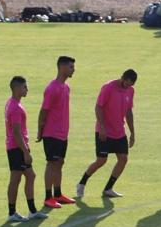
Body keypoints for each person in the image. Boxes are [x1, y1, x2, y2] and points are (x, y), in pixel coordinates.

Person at [76, 69, 138, 199]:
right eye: (127, 83)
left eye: (130, 85)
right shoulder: (108, 87)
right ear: (122, 77)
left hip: (119, 131)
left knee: (123, 159)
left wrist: (132, 132)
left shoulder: (130, 91)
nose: (128, 86)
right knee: (101, 160)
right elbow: (98, 107)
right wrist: (102, 128)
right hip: (104, 131)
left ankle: (108, 188)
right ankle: (82, 183)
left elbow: (128, 112)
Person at [5, 76, 49, 222]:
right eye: (24, 87)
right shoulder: (16, 107)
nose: (27, 89)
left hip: (17, 147)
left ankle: (32, 211)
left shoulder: (11, 103)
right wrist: (25, 152)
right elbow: (16, 132)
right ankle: (12, 213)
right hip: (17, 148)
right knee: (15, 179)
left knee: (30, 176)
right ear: (17, 88)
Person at [38, 56, 76, 209]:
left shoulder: (66, 88)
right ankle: (48, 197)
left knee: (60, 162)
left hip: (62, 134)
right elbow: (43, 111)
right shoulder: (52, 88)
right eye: (71, 67)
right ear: (62, 67)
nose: (73, 69)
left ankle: (58, 194)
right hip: (51, 133)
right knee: (51, 163)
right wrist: (40, 131)